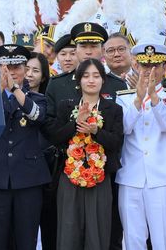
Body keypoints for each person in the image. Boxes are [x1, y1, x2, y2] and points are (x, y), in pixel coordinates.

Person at [48, 59, 123, 250]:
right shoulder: (67, 106)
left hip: (100, 177)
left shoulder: (113, 109)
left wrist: (96, 131)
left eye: (96, 76)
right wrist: (75, 124)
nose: (91, 80)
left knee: (97, 229)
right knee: (69, 227)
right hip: (69, 175)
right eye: (86, 76)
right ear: (78, 80)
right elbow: (55, 137)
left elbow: (116, 143)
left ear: (103, 80)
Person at [116, 41, 166, 250]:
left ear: (165, 67)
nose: (150, 71)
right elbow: (124, 128)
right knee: (132, 238)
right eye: (145, 65)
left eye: (156, 65)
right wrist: (138, 99)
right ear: (136, 66)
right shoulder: (125, 98)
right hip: (131, 176)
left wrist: (153, 97)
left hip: (161, 178)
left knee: (162, 238)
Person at [0, 44, 50, 250]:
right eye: (6, 68)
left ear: (25, 69)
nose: (12, 72)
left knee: (26, 239)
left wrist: (14, 89)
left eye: (17, 67)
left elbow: (37, 116)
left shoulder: (37, 98)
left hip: (28, 178)